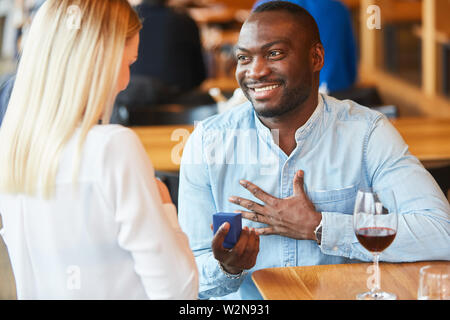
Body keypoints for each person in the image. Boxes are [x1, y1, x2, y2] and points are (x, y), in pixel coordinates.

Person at [177, 1, 450, 300]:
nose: (255, 71)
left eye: (274, 53)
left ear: (316, 57)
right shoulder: (207, 143)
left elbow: (441, 233)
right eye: (244, 57)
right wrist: (226, 268)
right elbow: (184, 277)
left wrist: (321, 226)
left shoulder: (366, 133)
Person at [0, 0, 198, 299]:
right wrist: (167, 209)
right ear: (99, 60)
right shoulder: (112, 147)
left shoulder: (12, 149)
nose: (125, 82)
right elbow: (179, 292)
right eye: (128, 63)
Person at [115, 0, 207, 107]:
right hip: (181, 110)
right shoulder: (185, 21)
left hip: (132, 106)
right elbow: (199, 77)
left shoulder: (127, 20)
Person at [253, 0, 357, 94]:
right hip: (337, 91)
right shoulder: (338, 8)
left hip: (284, 95)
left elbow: (255, 58)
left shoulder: (265, 7)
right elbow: (351, 62)